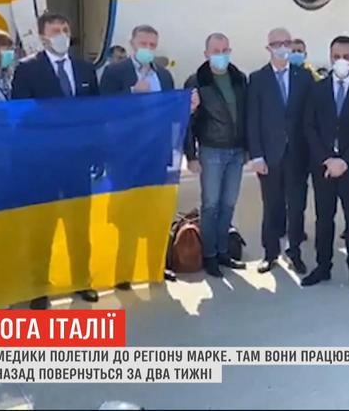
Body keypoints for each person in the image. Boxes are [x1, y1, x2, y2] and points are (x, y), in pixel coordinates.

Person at [11, 12, 100, 307]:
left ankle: (82, 280)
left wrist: (97, 152)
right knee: (42, 229)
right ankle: (39, 289)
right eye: (55, 30)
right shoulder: (27, 70)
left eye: (65, 28)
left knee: (79, 226)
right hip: (42, 165)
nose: (62, 34)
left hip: (78, 163)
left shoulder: (85, 69)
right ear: (42, 36)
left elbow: (97, 116)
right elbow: (21, 115)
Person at [302, 36, 349, 294]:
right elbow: (309, 127)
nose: (341, 61)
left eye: (346, 56)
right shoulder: (317, 89)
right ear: (330, 57)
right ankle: (323, 266)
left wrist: (345, 161)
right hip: (323, 167)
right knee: (324, 219)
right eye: (336, 56)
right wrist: (326, 159)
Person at [247, 28, 314, 275]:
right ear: (268, 48)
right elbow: (252, 119)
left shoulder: (303, 77)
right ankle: (270, 253)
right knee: (272, 206)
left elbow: (311, 116)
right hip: (270, 154)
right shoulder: (258, 78)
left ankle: (294, 251)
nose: (282, 47)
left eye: (286, 42)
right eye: (277, 44)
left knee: (296, 207)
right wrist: (256, 155)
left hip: (298, 154)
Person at [184, 33, 248, 278]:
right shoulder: (196, 81)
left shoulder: (239, 78)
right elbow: (188, 121)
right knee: (210, 205)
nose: (221, 55)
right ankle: (209, 254)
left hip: (236, 151)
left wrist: (249, 148)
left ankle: (223, 251)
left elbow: (246, 114)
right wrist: (191, 155)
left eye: (224, 50)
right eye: (216, 50)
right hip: (211, 150)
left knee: (228, 203)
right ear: (206, 53)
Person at [101, 26, 175, 95]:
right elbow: (106, 101)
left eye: (152, 45)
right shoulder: (114, 71)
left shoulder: (165, 74)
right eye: (143, 44)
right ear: (132, 44)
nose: (148, 48)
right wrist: (133, 91)